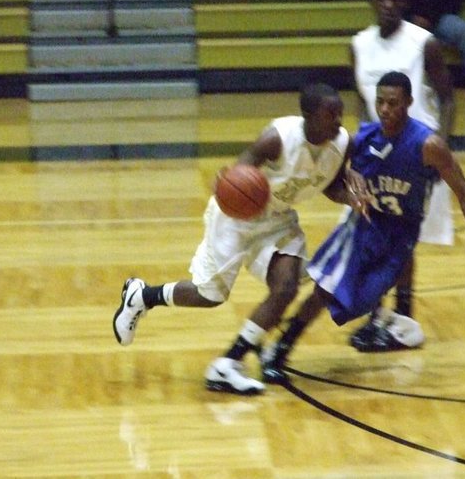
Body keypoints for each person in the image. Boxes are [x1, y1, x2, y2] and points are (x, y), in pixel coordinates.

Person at [112, 83, 357, 395]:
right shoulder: (277, 139)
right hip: (236, 217)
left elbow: (331, 184)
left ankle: (228, 363)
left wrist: (350, 197)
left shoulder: (342, 144)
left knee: (285, 289)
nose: (338, 121)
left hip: (277, 219)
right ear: (308, 116)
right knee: (210, 295)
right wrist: (229, 181)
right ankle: (143, 296)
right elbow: (239, 172)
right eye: (330, 115)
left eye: (340, 114)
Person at [260, 71, 465, 384]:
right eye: (381, 102)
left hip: (401, 234)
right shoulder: (362, 139)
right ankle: (280, 349)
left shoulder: (428, 145)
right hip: (365, 225)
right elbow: (330, 174)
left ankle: (392, 324)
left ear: (409, 103)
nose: (385, 109)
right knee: (327, 290)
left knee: (363, 299)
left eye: (393, 103)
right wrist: (348, 181)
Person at [348, 0, 457, 352]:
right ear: (373, 1)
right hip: (376, 152)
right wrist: (358, 149)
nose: (389, 5)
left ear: (404, 2)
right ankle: (378, 318)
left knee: (401, 242)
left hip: (414, 154)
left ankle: (402, 320)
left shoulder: (424, 43)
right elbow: (362, 100)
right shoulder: (359, 44)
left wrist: (442, 148)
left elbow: (448, 97)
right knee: (372, 237)